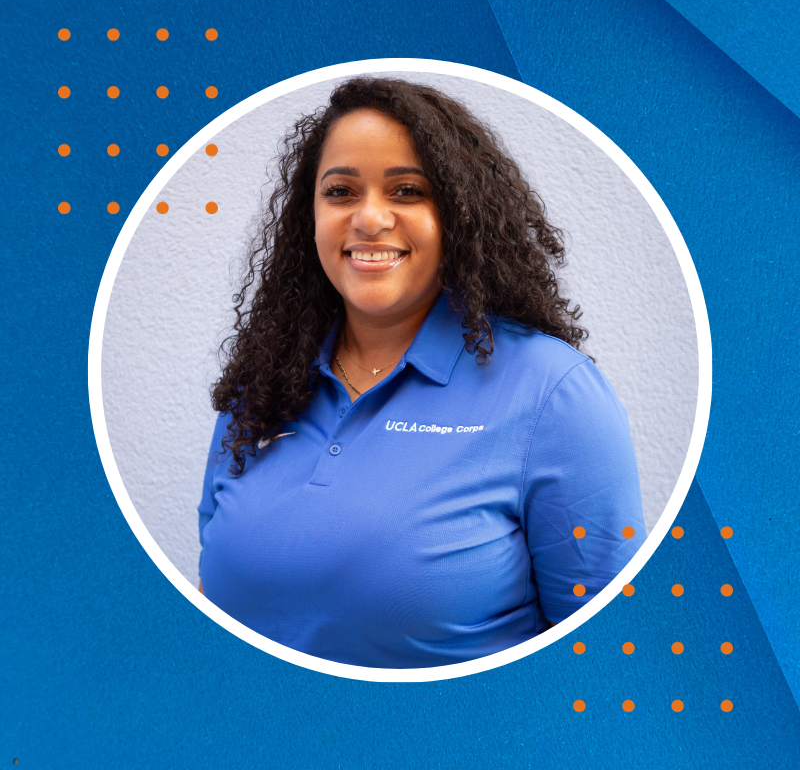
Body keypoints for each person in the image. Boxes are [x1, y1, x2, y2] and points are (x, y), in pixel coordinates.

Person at [197, 77, 646, 669]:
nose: (369, 219)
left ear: (458, 215)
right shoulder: (265, 386)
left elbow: (609, 659)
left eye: (407, 191)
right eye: (340, 191)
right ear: (311, 215)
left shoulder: (552, 394)